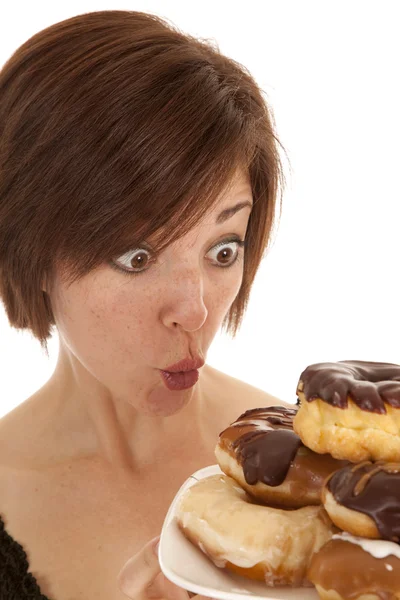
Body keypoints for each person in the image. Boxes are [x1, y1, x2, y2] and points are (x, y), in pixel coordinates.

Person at [0, 9, 288, 599]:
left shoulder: (310, 473)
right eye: (136, 257)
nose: (195, 310)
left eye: (223, 248)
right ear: (30, 248)